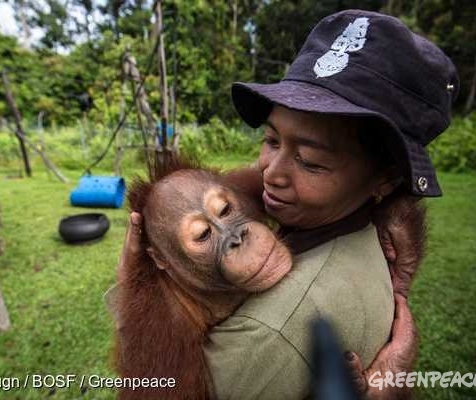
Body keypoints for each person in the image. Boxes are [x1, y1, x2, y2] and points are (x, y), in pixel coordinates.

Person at [110, 9, 458, 399]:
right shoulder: (337, 216)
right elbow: (202, 195)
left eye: (310, 160)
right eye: (272, 140)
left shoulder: (272, 331)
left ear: (385, 178)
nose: (270, 174)